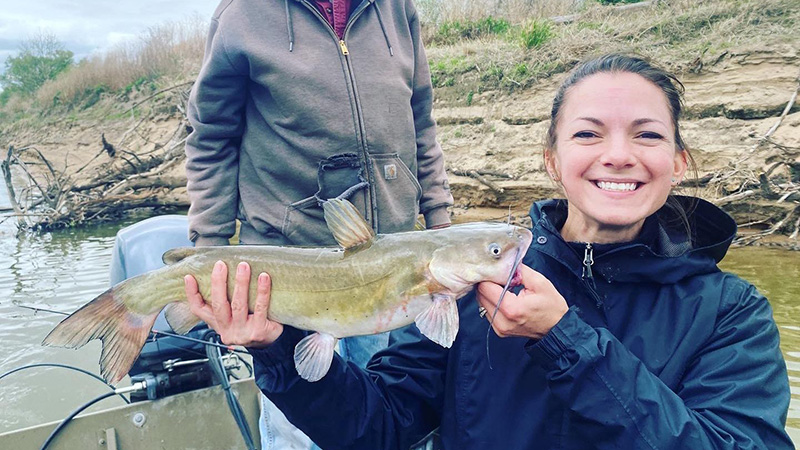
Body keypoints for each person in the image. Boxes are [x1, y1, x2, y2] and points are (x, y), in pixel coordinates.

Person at [185, 53, 793, 449]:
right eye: (587, 134)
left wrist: (566, 340)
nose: (617, 155)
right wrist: (280, 349)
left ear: (680, 161)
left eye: (648, 135)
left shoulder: (731, 315)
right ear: (551, 161)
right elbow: (379, 429)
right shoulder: (462, 284)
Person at [183, 0, 453, 448]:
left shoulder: (397, 9)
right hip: (285, 280)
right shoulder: (240, 16)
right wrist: (210, 254)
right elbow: (211, 140)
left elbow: (420, 120)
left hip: (391, 271)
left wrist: (441, 222)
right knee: (300, 432)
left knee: (393, 426)